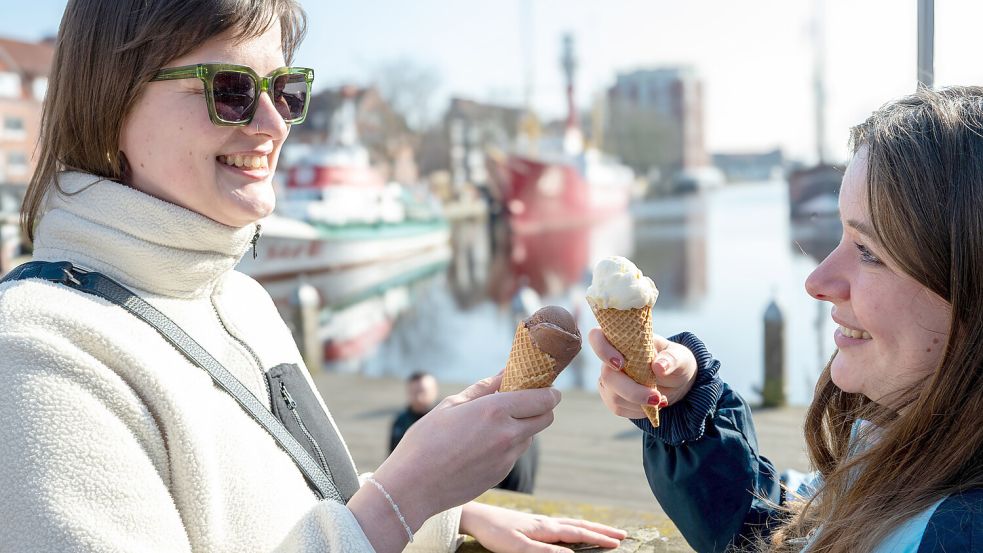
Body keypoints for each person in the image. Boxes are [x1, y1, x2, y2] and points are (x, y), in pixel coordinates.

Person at [0, 1, 628, 552]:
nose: (274, 126)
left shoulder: (242, 301)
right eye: (231, 88)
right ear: (111, 101)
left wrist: (442, 516)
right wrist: (404, 498)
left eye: (286, 90)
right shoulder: (37, 357)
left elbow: (292, 518)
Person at [588, 87, 983, 553]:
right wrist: (690, 406)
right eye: (841, 234)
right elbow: (784, 532)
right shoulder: (898, 442)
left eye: (868, 251)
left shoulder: (956, 535)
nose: (816, 280)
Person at [391, 372, 540, 494]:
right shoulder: (400, 421)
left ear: (434, 390)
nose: (418, 397)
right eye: (414, 392)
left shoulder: (447, 420)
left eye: (422, 391)